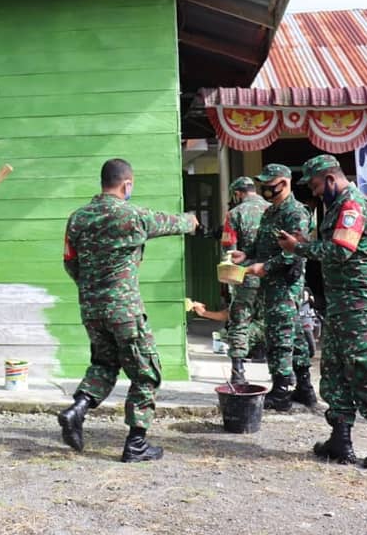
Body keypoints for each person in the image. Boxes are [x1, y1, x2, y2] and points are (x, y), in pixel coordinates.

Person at [57, 158, 199, 463]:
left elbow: (70, 261)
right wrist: (192, 220)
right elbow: (174, 223)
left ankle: (77, 409)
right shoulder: (132, 216)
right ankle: (136, 444)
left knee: (105, 364)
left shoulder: (77, 218)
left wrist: (91, 287)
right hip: (124, 310)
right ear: (127, 184)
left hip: (91, 309)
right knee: (146, 373)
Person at [279, 154, 367, 469]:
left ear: (331, 179)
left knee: (364, 370)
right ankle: (340, 440)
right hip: (341, 305)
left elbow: (341, 251)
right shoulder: (334, 207)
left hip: (363, 305)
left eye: (317, 185)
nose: (316, 192)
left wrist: (299, 248)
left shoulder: (352, 205)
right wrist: (305, 242)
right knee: (333, 371)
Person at [229, 164, 316, 411]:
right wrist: (245, 255)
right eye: (263, 184)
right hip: (271, 283)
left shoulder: (296, 213)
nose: (266, 188)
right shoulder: (270, 213)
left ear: (285, 182)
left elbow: (296, 253)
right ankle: (305, 389)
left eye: (270, 183)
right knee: (297, 335)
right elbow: (262, 247)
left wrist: (265, 267)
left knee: (278, 336)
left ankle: (280, 392)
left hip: (286, 284)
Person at [219, 176, 269, 384]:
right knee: (272, 321)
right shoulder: (272, 209)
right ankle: (283, 373)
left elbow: (228, 248)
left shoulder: (235, 214)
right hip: (270, 274)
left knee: (240, 320)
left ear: (238, 193)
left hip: (245, 276)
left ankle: (238, 371)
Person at [190, 301, 266, 359]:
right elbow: (231, 312)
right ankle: (251, 349)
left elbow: (231, 313)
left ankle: (256, 348)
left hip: (265, 327)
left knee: (234, 333)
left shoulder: (250, 290)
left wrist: (204, 313)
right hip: (262, 326)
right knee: (224, 333)